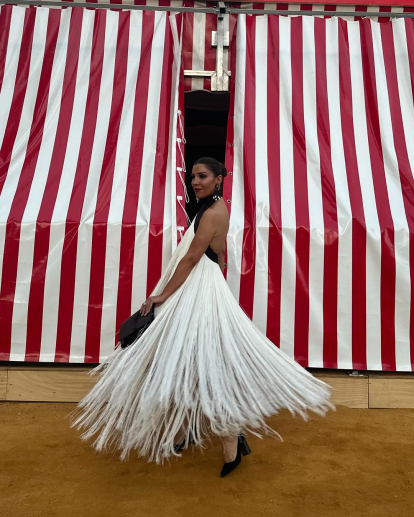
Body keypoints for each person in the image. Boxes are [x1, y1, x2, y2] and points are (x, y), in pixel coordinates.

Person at [70, 157, 335, 478]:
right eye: (193, 176)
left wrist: (162, 295)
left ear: (220, 180)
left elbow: (194, 256)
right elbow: (219, 257)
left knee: (202, 365)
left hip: (197, 294)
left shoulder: (213, 212)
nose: (196, 181)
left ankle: (229, 439)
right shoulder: (210, 210)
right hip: (199, 292)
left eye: (204, 176)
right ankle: (192, 432)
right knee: (186, 361)